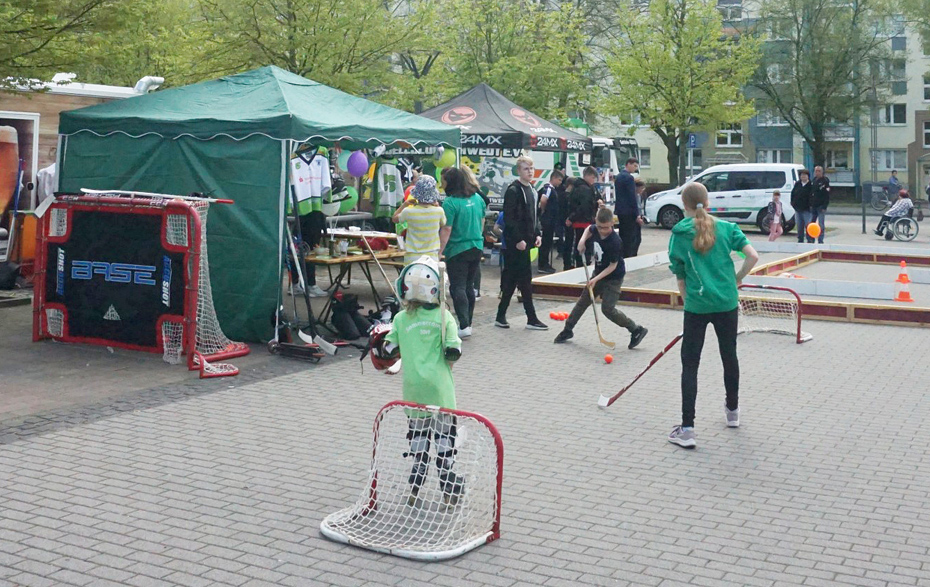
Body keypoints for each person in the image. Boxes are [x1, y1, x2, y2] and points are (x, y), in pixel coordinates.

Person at [667, 182, 759, 449]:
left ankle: (687, 428)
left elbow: (680, 276)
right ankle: (733, 412)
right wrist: (736, 279)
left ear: (684, 205)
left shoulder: (679, 233)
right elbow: (753, 256)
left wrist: (688, 302)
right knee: (729, 355)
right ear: (707, 203)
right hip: (726, 302)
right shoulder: (728, 228)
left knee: (690, 364)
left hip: (697, 306)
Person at [382, 256, 464, 506]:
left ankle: (414, 491)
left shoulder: (400, 319)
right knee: (443, 445)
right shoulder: (444, 317)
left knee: (418, 443)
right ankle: (449, 492)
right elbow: (454, 350)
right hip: (440, 391)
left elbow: (388, 349)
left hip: (413, 390)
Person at [554, 207, 648, 348]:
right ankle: (568, 329)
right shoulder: (595, 229)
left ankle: (636, 329)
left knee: (608, 309)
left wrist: (596, 279)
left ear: (612, 223)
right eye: (599, 227)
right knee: (583, 301)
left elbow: (613, 266)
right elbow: (589, 229)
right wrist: (582, 241)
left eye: (605, 228)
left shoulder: (615, 242)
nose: (602, 230)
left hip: (613, 277)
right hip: (598, 273)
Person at [496, 155, 547, 330]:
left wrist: (538, 233)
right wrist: (518, 239)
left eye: (531, 168)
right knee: (525, 280)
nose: (530, 172)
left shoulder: (532, 190)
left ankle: (500, 315)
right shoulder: (514, 191)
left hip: (528, 242)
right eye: (526, 169)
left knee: (512, 279)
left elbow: (534, 216)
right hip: (515, 244)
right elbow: (510, 219)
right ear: (519, 171)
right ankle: (531, 318)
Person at [440, 167, 486, 338]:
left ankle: (464, 323)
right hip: (476, 246)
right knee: (469, 286)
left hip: (458, 249)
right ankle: (468, 323)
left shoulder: (450, 203)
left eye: (444, 180)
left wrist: (439, 251)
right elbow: (482, 222)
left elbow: (447, 229)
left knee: (457, 286)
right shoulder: (477, 199)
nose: (442, 183)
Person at [393, 176, 446, 264]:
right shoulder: (439, 211)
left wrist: (405, 204)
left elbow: (394, 219)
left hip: (412, 255)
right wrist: (436, 205)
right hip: (432, 255)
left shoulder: (408, 211)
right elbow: (443, 223)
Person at [460, 165, 489, 300]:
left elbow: (485, 200)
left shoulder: (474, 193)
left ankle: (475, 288)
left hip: (472, 236)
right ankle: (473, 289)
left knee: (473, 265)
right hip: (475, 236)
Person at [566, 167, 599, 270]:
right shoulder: (585, 189)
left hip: (584, 221)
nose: (594, 180)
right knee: (581, 246)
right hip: (581, 221)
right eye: (593, 177)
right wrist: (571, 218)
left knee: (583, 246)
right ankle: (579, 266)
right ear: (587, 176)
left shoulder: (586, 188)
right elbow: (582, 207)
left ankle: (581, 265)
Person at [614, 157, 644, 258]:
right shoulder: (629, 178)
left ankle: (621, 255)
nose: (635, 169)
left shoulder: (618, 177)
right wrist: (637, 215)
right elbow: (632, 197)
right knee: (630, 237)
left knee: (622, 234)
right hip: (629, 212)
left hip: (620, 211)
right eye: (634, 166)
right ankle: (628, 256)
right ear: (628, 164)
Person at [537, 169, 564, 274]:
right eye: (559, 180)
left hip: (550, 220)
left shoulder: (551, 189)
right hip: (548, 220)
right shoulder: (548, 188)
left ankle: (545, 263)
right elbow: (543, 199)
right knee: (546, 242)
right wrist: (543, 211)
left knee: (548, 243)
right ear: (553, 178)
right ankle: (543, 264)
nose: (560, 183)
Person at [790, 170, 813, 243]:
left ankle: (810, 240)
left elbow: (813, 197)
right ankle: (800, 239)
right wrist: (793, 203)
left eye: (805, 175)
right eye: (802, 175)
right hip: (797, 209)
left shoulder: (811, 185)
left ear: (808, 176)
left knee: (808, 225)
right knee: (799, 226)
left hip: (807, 210)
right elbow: (793, 193)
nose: (803, 176)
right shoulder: (797, 184)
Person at [811, 165, 830, 244]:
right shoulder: (814, 180)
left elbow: (827, 195)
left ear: (822, 172)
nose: (817, 172)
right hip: (813, 206)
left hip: (821, 206)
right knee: (812, 224)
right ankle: (811, 239)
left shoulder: (825, 181)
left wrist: (824, 206)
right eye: (816, 171)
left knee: (821, 224)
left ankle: (820, 240)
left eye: (819, 171)